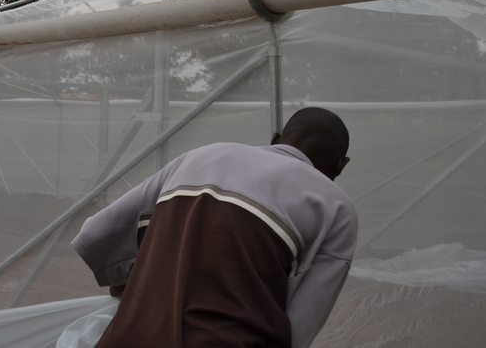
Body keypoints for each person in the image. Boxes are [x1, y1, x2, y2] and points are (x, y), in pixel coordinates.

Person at [71, 107, 357, 348]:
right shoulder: (337, 208)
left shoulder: (201, 156)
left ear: (275, 139)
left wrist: (134, 286)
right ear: (340, 167)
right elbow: (303, 321)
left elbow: (95, 234)